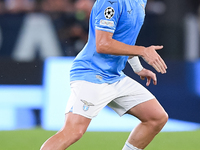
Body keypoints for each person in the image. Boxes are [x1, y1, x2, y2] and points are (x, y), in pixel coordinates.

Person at [40, 0, 168, 149]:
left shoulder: (140, 1)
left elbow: (125, 37)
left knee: (156, 118)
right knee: (73, 131)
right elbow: (102, 44)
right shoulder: (109, 2)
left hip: (114, 76)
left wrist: (137, 67)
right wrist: (143, 51)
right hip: (91, 73)